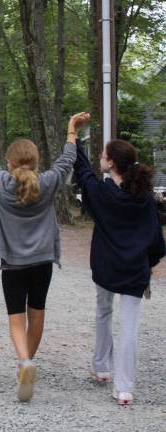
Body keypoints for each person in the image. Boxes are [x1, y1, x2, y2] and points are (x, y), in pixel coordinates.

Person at [0, 111, 88, 401]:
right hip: (42, 262)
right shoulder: (47, 182)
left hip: (12, 264)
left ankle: (25, 362)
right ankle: (26, 363)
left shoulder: (1, 182)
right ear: (35, 162)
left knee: (16, 319)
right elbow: (66, 161)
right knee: (37, 315)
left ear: (9, 163)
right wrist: (71, 130)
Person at [73, 134, 165, 406]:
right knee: (129, 327)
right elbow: (155, 238)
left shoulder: (103, 194)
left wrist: (74, 138)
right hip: (135, 269)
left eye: (103, 155)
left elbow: (83, 173)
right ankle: (124, 388)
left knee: (103, 311)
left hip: (106, 267)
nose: (100, 158)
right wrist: (148, 264)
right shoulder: (144, 198)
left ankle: (102, 367)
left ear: (111, 163)